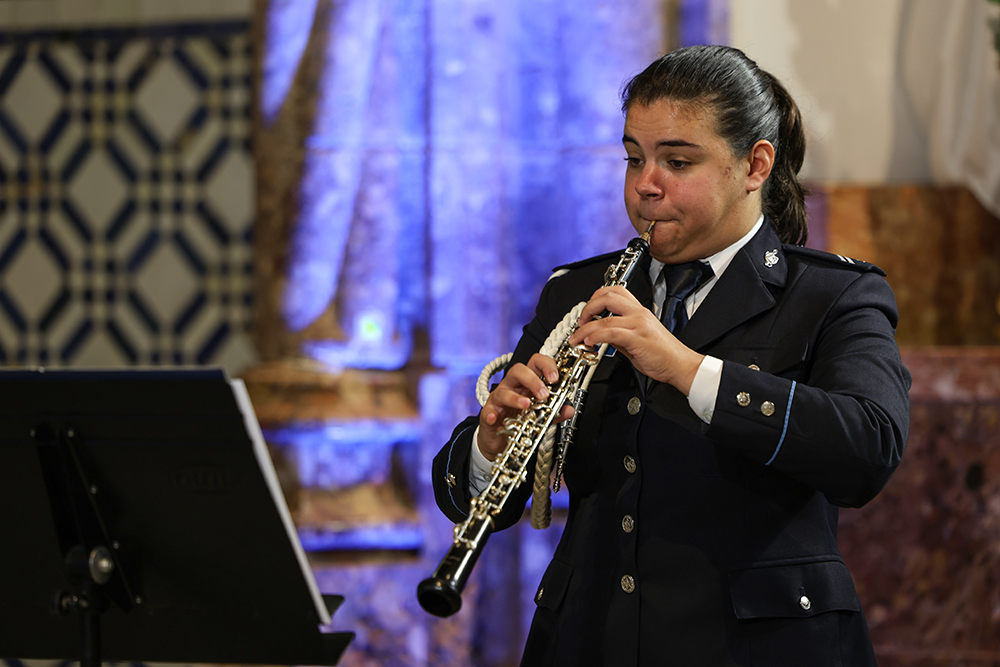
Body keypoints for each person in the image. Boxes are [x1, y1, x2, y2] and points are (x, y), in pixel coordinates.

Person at [430, 44, 910, 666]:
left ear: (755, 165)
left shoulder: (833, 293)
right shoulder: (580, 292)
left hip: (762, 647)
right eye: (634, 159)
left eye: (677, 161)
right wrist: (489, 449)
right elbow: (472, 495)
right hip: (589, 640)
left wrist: (686, 367)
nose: (645, 186)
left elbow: (868, 450)